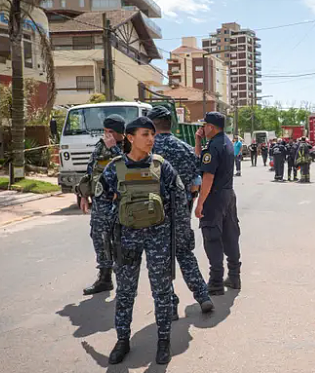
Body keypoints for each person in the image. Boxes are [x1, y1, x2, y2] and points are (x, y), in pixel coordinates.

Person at [96, 116, 188, 365]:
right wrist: (106, 237)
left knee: (162, 292)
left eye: (153, 134)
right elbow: (101, 202)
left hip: (158, 238)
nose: (150, 139)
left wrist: (181, 234)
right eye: (145, 134)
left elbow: (179, 200)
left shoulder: (162, 166)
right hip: (127, 239)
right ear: (129, 137)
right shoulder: (115, 167)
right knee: (125, 292)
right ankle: (122, 340)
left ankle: (163, 340)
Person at [148, 107, 214, 321]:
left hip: (154, 214)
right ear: (171, 124)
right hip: (181, 210)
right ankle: (203, 296)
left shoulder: (147, 150)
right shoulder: (185, 149)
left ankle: (170, 304)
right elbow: (196, 180)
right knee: (185, 254)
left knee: (161, 260)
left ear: (152, 126)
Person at [76, 114, 125, 296]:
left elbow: (127, 167)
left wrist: (114, 150)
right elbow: (91, 170)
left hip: (121, 203)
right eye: (105, 131)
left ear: (119, 133)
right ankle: (105, 278)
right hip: (100, 202)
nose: (107, 135)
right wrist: (83, 195)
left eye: (110, 132)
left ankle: (125, 282)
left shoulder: (128, 146)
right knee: (99, 237)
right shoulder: (100, 146)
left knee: (120, 241)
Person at [195, 112, 241, 296]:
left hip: (214, 197)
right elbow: (201, 160)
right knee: (230, 234)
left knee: (212, 237)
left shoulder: (213, 146)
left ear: (211, 127)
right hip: (229, 194)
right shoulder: (226, 142)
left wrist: (200, 204)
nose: (203, 128)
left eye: (204, 125)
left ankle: (215, 282)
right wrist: (198, 141)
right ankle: (234, 276)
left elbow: (208, 176)